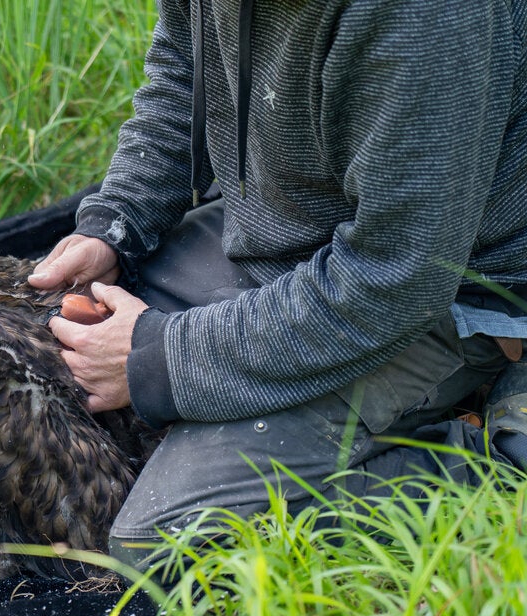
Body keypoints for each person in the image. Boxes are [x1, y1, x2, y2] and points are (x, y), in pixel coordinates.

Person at [28, 0, 527, 570]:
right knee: (32, 348)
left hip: (437, 290)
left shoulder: (431, 16)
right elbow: (185, 71)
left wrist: (160, 359)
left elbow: (395, 279)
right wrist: (118, 223)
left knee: (169, 544)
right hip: (281, 226)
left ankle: (498, 465)